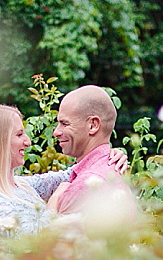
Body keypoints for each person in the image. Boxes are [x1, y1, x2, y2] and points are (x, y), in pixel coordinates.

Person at [0, 103, 127, 236]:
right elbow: (29, 241)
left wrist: (109, 154)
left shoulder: (22, 185)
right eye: (19, 135)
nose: (28, 142)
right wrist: (55, 200)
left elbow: (73, 173)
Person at [51, 85, 134, 214]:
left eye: (65, 124)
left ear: (93, 125)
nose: (56, 132)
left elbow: (52, 233)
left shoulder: (87, 183)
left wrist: (55, 199)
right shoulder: (111, 169)